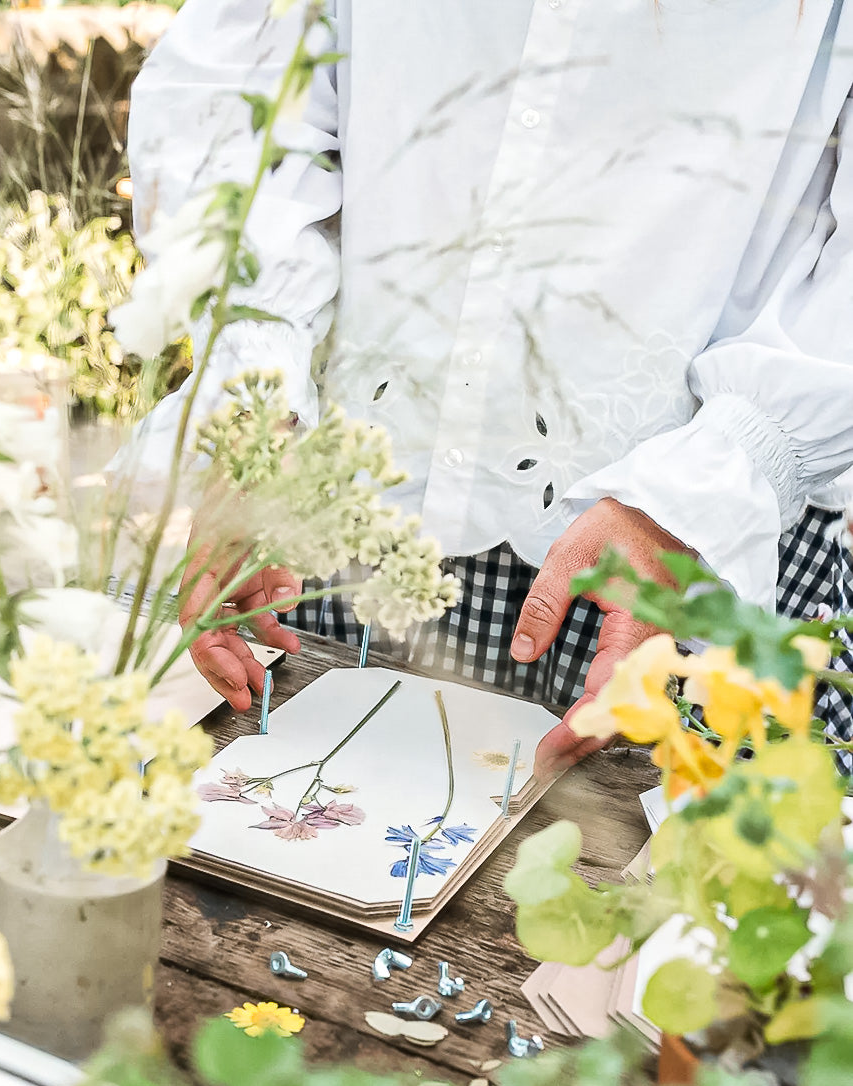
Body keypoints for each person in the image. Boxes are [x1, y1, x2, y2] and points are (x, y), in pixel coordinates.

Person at [125, 0, 853, 777]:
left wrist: (713, 483)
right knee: (295, 859)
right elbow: (236, 100)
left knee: (647, 889)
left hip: (691, 562)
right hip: (354, 519)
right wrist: (256, 405)